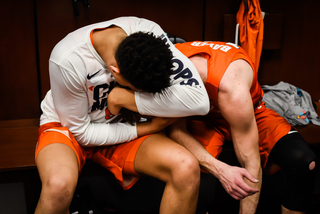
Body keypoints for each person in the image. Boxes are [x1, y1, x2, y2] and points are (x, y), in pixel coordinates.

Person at [35, 16, 211, 214]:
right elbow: (82, 133)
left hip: (121, 122)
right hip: (69, 128)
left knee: (186, 167)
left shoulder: (148, 31)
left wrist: (123, 99)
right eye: (132, 89)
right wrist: (148, 128)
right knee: (58, 187)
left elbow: (200, 102)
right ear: (114, 71)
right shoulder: (67, 58)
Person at [167, 41, 318, 214]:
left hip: (251, 112)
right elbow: (176, 130)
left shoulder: (232, 87)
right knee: (189, 167)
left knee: (305, 162)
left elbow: (250, 162)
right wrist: (218, 169)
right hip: (205, 119)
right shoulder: (170, 64)